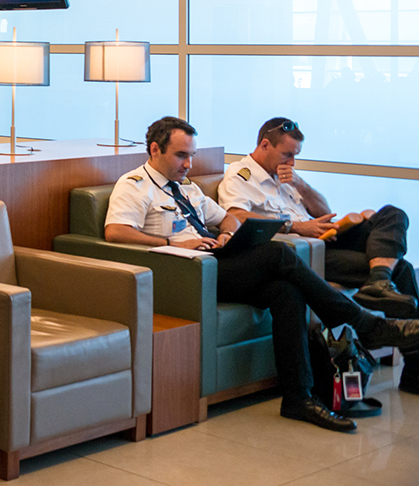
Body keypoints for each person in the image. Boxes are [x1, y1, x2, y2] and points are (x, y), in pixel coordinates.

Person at [105, 116, 419, 432]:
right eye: (181, 155)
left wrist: (226, 235)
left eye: (192, 155)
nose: (188, 164)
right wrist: (172, 241)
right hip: (186, 273)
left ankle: (298, 398)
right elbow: (116, 231)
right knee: (279, 253)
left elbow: (228, 218)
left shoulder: (187, 187)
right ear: (155, 149)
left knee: (286, 291)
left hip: (214, 261)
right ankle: (366, 323)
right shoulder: (134, 185)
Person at [217, 116, 419, 394]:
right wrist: (296, 226)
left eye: (296, 156)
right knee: (403, 268)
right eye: (287, 154)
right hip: (305, 250)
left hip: (325, 236)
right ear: (264, 145)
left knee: (393, 215)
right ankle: (415, 370)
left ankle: (379, 280)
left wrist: (301, 185)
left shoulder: (287, 175)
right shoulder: (240, 175)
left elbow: (324, 210)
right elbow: (236, 216)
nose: (292, 162)